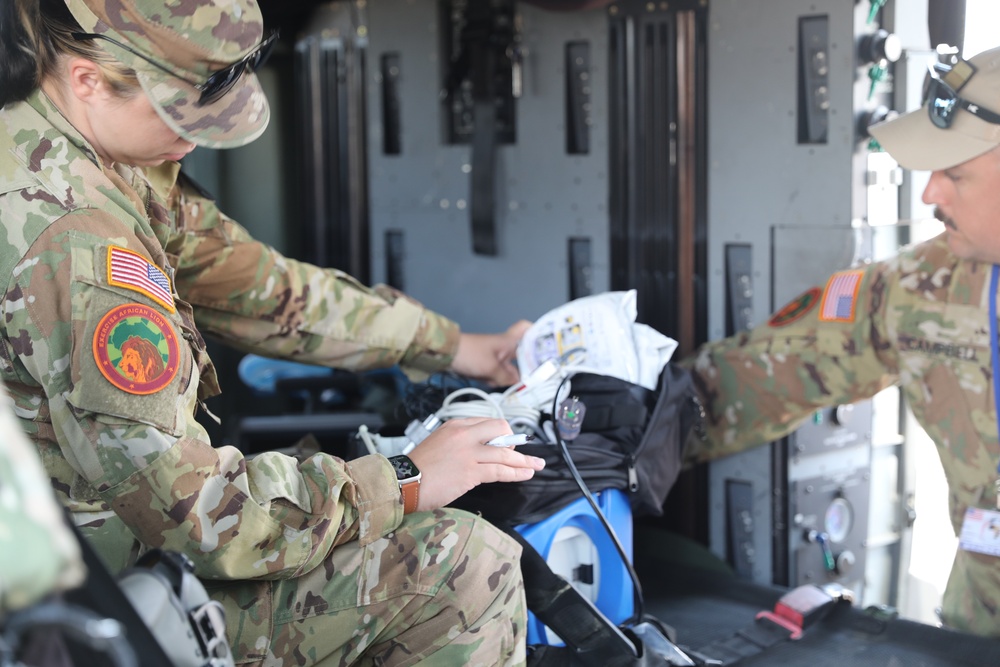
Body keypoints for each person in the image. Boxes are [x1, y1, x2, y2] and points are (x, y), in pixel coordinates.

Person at [0, 0, 547, 663]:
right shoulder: (80, 244)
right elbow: (197, 518)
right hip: (97, 608)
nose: (194, 140)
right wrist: (403, 479)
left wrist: (456, 347)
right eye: (181, 114)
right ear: (88, 78)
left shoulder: (61, 143)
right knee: (460, 563)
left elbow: (258, 287)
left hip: (89, 566)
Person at [679, 44, 1000, 638]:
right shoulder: (925, 286)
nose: (930, 195)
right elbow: (777, 368)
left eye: (955, 174)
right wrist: (620, 423)